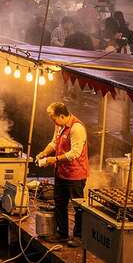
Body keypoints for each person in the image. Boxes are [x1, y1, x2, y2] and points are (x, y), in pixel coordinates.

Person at [34, 102, 88, 246]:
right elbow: (54, 143)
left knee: (78, 206)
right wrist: (44, 153)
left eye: (54, 118)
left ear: (62, 116)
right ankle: (62, 233)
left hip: (75, 174)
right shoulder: (59, 125)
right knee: (60, 203)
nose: (53, 121)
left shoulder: (77, 128)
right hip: (61, 172)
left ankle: (79, 236)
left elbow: (75, 153)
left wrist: (54, 159)